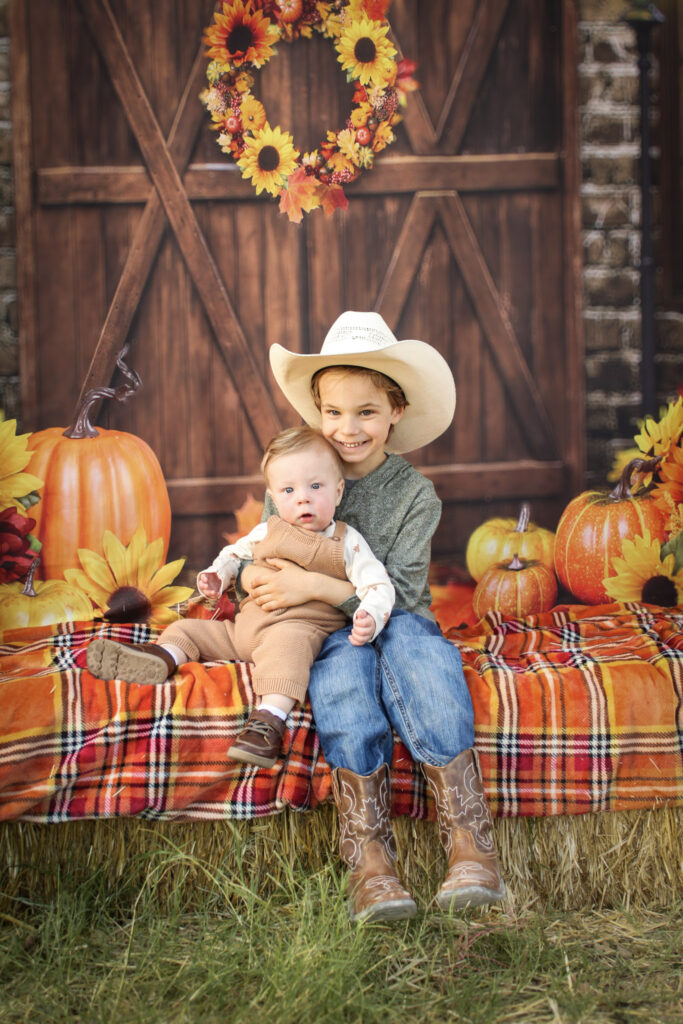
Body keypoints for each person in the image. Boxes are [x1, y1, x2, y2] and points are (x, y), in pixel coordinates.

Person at [240, 310, 506, 922]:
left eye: (365, 413)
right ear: (317, 414)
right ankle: (370, 858)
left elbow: (407, 594)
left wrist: (315, 581)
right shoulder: (294, 479)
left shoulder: (415, 495)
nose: (347, 429)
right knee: (341, 681)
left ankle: (470, 843)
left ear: (395, 413)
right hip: (324, 627)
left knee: (421, 654)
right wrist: (256, 577)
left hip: (400, 617)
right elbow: (260, 556)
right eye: (333, 413)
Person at [86, 425, 394, 770]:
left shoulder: (347, 542)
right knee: (189, 629)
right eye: (289, 490)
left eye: (316, 486)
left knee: (287, 654)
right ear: (274, 499)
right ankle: (161, 656)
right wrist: (218, 574)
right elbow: (234, 555)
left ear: (338, 492)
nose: (303, 498)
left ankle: (267, 721)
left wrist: (370, 615)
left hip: (295, 630)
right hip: (242, 630)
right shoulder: (267, 530)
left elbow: (377, 585)